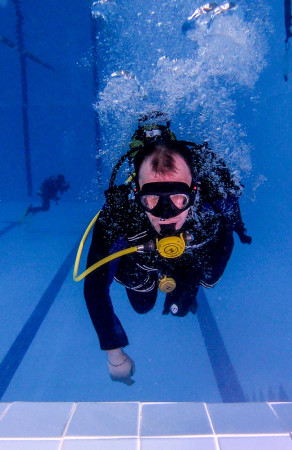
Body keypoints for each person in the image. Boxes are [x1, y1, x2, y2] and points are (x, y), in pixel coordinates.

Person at [81, 119, 250, 385]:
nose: (166, 215)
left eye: (178, 199)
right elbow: (94, 286)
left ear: (194, 190)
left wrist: (195, 274)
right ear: (136, 192)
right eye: (151, 199)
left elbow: (229, 230)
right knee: (142, 305)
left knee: (200, 285)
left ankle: (185, 278)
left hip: (191, 259)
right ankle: (154, 279)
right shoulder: (118, 214)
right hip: (140, 264)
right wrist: (115, 355)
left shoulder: (215, 197)